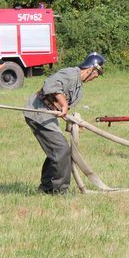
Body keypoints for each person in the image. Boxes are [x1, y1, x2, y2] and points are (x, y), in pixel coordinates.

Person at [23, 53, 105, 194]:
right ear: (90, 69)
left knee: (58, 151)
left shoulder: (79, 90)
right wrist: (64, 104)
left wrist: (75, 122)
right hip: (37, 111)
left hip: (48, 116)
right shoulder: (71, 73)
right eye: (95, 73)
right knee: (61, 150)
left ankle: (47, 188)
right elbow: (50, 84)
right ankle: (59, 190)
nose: (95, 77)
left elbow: (63, 111)